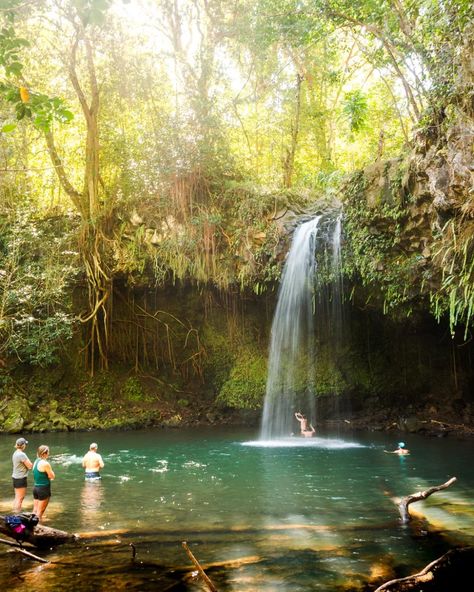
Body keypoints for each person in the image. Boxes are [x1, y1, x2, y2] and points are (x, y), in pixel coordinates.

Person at [32, 445, 55, 521]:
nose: (49, 454)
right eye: (48, 452)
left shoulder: (36, 461)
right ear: (44, 453)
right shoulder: (45, 463)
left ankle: (31, 525)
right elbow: (52, 476)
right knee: (39, 513)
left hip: (36, 488)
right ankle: (38, 529)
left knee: (34, 511)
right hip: (43, 489)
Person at [12, 437, 33, 512]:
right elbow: (30, 466)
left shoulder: (15, 453)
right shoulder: (22, 454)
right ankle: (17, 515)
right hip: (21, 478)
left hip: (15, 478)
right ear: (23, 445)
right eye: (25, 444)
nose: (26, 446)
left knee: (17, 497)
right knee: (20, 498)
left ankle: (14, 513)